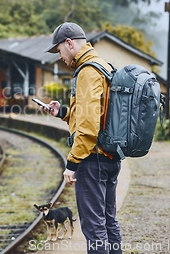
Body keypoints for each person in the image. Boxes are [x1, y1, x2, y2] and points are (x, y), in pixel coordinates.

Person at [43, 22, 122, 254]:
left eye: (59, 51)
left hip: (92, 160)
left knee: (93, 226)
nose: (59, 57)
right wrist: (64, 113)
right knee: (109, 222)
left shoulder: (87, 71)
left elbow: (88, 127)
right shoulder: (103, 65)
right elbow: (97, 114)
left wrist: (72, 162)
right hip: (109, 157)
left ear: (69, 43)